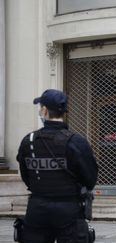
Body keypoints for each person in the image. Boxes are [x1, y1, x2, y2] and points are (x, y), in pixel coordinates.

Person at [16, 89, 98, 243]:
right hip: (69, 208)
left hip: (37, 208)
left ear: (45, 110)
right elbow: (90, 178)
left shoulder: (29, 140)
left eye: (40, 107)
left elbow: (25, 175)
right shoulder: (77, 141)